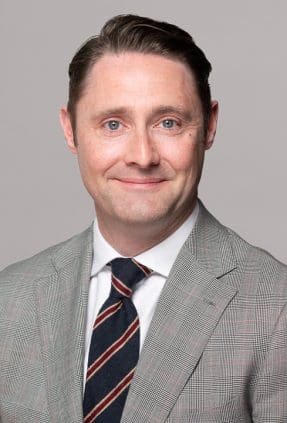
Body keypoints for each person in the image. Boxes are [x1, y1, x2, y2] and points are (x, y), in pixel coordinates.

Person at [0, 14, 287, 423]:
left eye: (168, 123)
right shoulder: (9, 300)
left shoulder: (277, 308)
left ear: (209, 126)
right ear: (70, 130)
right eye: (113, 124)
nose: (142, 155)